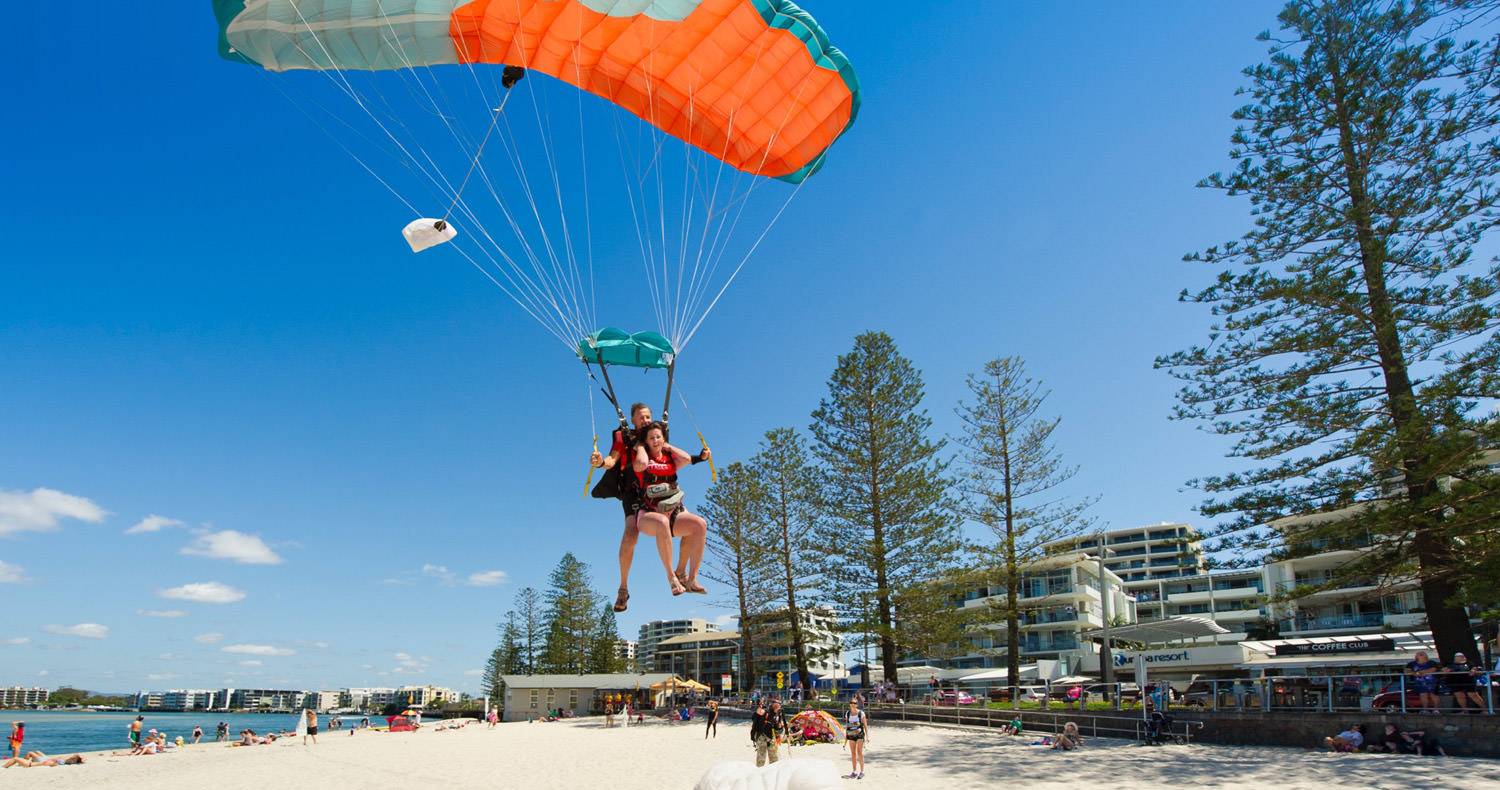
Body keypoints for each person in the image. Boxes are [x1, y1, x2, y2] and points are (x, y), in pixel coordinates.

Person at [591, 403, 711, 611]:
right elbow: (612, 460)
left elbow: (678, 461)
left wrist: (700, 457)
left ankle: (683, 573)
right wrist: (601, 462)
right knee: (630, 534)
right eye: (641, 418)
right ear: (633, 420)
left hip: (662, 492)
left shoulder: (656, 436)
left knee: (694, 524)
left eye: (648, 417)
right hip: (634, 491)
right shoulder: (626, 438)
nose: (645, 421)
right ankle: (623, 587)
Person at [631, 421, 709, 595]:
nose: (656, 440)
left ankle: (691, 579)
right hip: (649, 515)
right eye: (652, 438)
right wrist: (641, 447)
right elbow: (642, 464)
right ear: (646, 441)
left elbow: (688, 459)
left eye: (658, 436)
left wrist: (668, 445)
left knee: (700, 524)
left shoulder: (669, 459)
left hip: (673, 511)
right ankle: (672, 578)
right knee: (661, 522)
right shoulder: (640, 459)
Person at [844, 699, 869, 778]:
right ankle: (854, 771)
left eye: (854, 703)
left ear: (857, 704)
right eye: (851, 703)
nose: (853, 704)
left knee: (859, 752)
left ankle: (862, 771)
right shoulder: (847, 713)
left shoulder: (861, 713)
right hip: (851, 735)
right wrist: (846, 738)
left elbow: (865, 725)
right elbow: (847, 726)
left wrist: (867, 736)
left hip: (859, 734)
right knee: (853, 753)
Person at [750, 700, 778, 767]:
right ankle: (759, 772)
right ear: (772, 704)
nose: (777, 706)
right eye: (775, 704)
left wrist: (780, 727)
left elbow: (778, 730)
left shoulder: (778, 714)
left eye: (778, 704)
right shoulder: (764, 711)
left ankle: (774, 772)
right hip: (762, 736)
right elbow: (757, 714)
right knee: (761, 758)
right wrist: (760, 706)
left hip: (771, 737)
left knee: (774, 758)